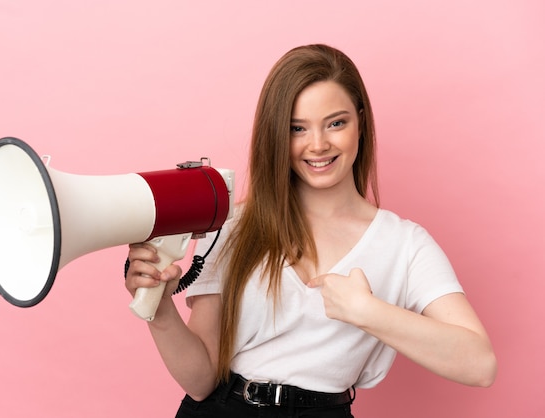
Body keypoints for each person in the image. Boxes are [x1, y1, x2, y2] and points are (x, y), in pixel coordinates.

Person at [124, 44, 497, 418]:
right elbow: (201, 381)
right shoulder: (233, 226)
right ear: (276, 135)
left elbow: (480, 365)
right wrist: (160, 309)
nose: (318, 145)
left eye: (336, 122)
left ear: (361, 122)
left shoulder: (405, 244)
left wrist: (367, 312)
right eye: (297, 129)